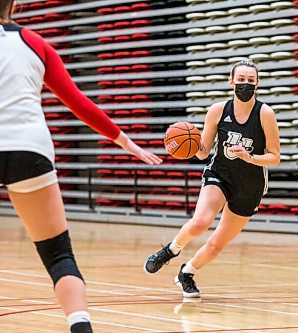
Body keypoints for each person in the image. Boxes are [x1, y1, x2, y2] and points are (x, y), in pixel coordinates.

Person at [0, 1, 162, 332]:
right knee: (59, 257)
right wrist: (126, 142)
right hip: (29, 149)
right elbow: (78, 102)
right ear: (14, 5)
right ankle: (81, 327)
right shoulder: (35, 43)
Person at [144, 59, 280, 297]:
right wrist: (191, 143)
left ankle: (186, 273)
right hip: (220, 174)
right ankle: (170, 251)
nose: (245, 85)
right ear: (231, 82)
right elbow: (204, 151)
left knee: (217, 245)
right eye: (241, 80)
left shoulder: (265, 113)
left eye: (250, 80)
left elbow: (275, 157)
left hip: (250, 184)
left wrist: (250, 158)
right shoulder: (218, 110)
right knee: (200, 222)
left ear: (257, 84)